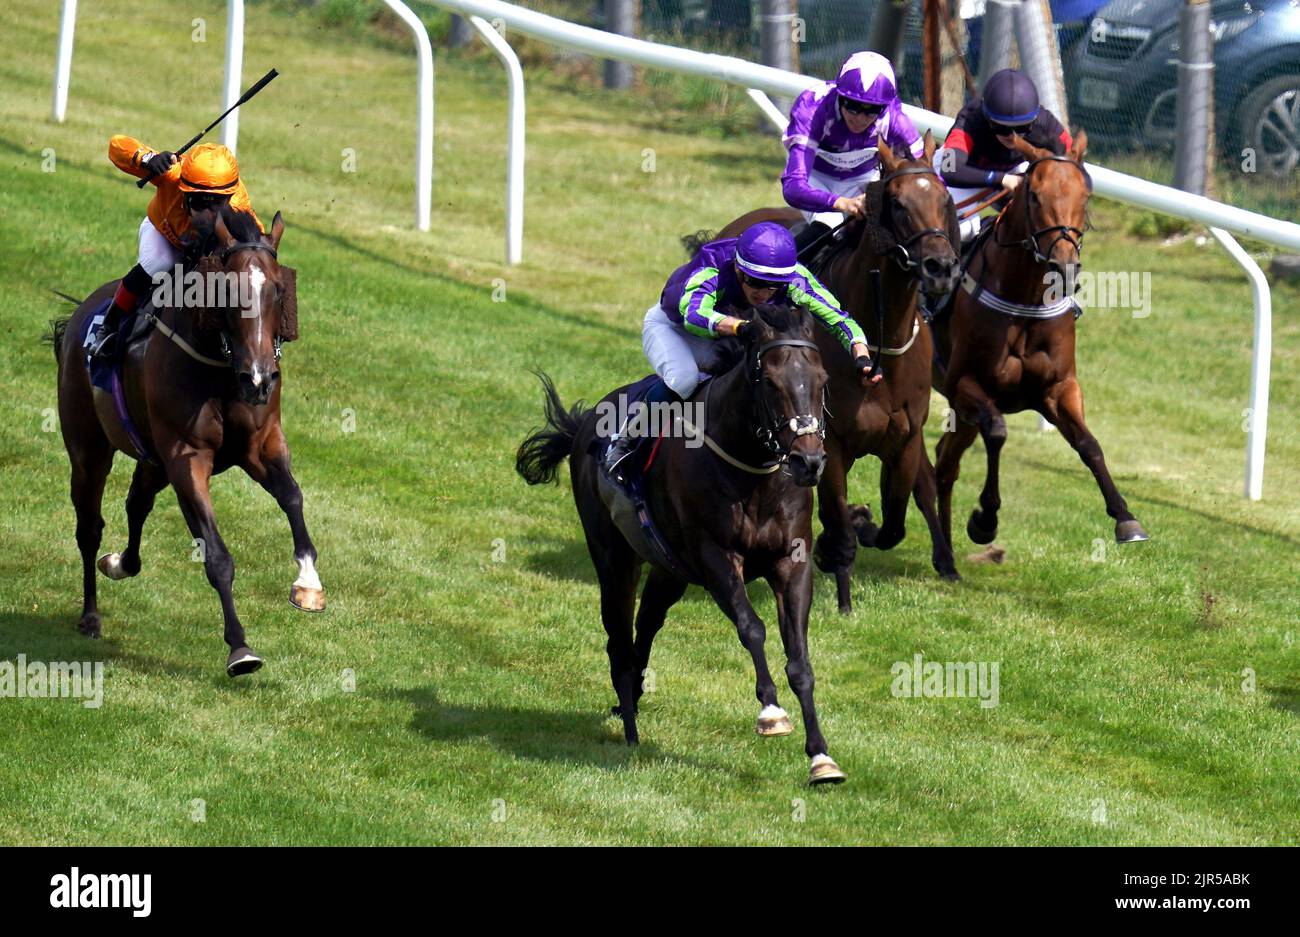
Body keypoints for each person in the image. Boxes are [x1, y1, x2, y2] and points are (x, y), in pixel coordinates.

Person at [603, 222, 879, 478]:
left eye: (773, 286)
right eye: (755, 282)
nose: (764, 293)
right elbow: (694, 314)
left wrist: (862, 357)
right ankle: (625, 440)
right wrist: (740, 328)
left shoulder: (794, 279)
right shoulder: (715, 265)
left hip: (732, 332)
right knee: (685, 379)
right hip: (675, 328)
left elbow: (838, 318)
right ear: (737, 269)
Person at [89, 137, 265, 360]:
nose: (209, 215)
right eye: (200, 202)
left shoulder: (240, 206)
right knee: (158, 263)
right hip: (164, 234)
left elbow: (256, 243)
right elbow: (116, 145)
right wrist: (148, 159)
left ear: (230, 197)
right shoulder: (171, 175)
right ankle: (109, 327)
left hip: (208, 246)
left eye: (217, 204)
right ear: (185, 192)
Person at [781, 51, 924, 251]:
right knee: (828, 224)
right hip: (817, 177)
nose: (860, 118)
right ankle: (786, 273)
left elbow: (924, 173)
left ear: (884, 108)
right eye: (853, 106)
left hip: (863, 180)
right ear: (839, 96)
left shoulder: (894, 119)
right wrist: (840, 203)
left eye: (871, 110)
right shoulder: (813, 107)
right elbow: (793, 188)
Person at [934, 68, 1077, 243]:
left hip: (1014, 171)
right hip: (964, 173)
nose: (1012, 136)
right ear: (988, 119)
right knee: (963, 230)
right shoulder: (970, 119)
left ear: (1033, 120)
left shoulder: (1045, 122)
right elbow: (949, 171)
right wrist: (1001, 179)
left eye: (1022, 128)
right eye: (1002, 128)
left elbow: (1073, 162)